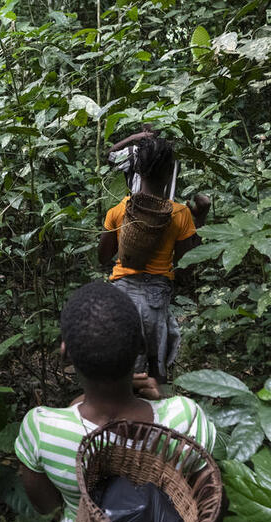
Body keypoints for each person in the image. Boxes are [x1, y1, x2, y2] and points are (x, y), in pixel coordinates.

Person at [14, 281, 218, 522]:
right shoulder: (185, 419)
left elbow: (46, 505)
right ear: (140, 346)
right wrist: (159, 397)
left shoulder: (41, 429)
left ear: (66, 353)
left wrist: (78, 403)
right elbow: (208, 511)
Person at [98, 130, 211, 383]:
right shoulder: (179, 214)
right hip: (155, 298)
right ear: (170, 171)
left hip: (121, 291)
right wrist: (200, 219)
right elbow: (185, 268)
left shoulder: (119, 210)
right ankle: (154, 414)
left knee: (122, 365)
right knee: (155, 368)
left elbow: (103, 257)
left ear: (137, 170)